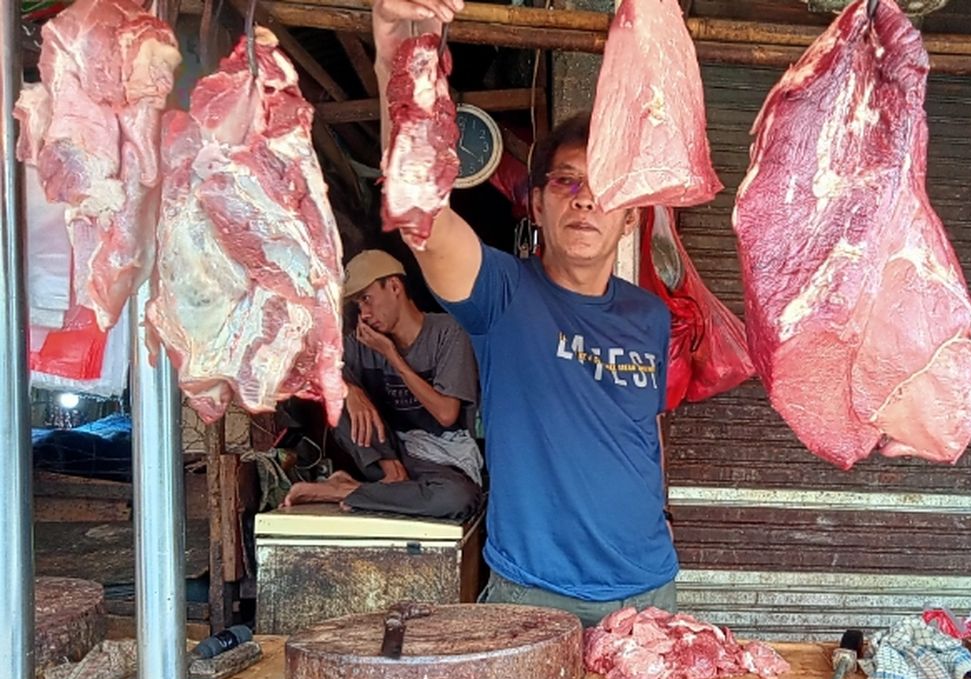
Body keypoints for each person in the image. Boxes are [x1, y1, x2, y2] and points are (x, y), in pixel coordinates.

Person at [372, 0, 678, 628]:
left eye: (606, 188)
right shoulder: (503, 294)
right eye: (566, 182)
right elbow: (420, 216)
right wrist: (392, 52)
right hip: (536, 598)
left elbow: (644, 434)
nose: (585, 200)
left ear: (630, 217)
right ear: (536, 205)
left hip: (649, 593)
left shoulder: (650, 316)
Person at [283, 249, 483, 521]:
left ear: (394, 286)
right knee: (335, 386)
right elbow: (306, 366)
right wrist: (349, 391)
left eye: (367, 299)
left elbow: (446, 414)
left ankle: (344, 491)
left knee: (456, 499)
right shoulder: (362, 342)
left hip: (440, 464)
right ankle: (390, 479)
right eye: (358, 305)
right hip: (386, 457)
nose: (364, 314)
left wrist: (392, 355)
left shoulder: (447, 333)